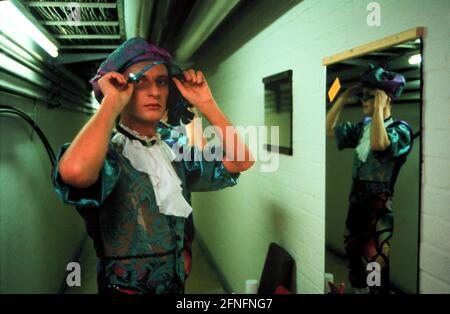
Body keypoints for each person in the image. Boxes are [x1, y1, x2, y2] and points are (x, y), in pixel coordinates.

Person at [52, 37, 254, 294]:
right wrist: (111, 103)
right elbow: (75, 171)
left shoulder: (173, 155)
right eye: (139, 81)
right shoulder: (111, 157)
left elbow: (241, 160)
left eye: (161, 81)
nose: (155, 92)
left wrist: (206, 104)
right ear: (121, 87)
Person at [325, 64, 413, 294]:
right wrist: (343, 97)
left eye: (370, 97)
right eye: (364, 97)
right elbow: (328, 129)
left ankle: (375, 293)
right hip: (357, 199)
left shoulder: (401, 129)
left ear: (385, 99)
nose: (364, 101)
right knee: (352, 250)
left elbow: (379, 144)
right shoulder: (364, 128)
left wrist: (380, 108)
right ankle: (359, 291)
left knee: (376, 255)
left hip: (379, 203)